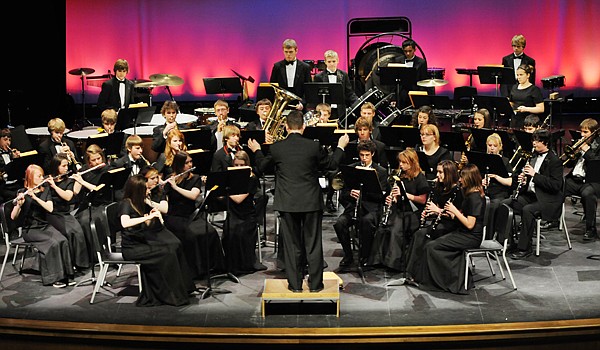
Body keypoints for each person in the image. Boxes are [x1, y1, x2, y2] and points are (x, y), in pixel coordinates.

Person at [247, 110, 349, 292]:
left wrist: (257, 151)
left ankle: (295, 285)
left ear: (286, 127)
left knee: (292, 244)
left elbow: (262, 168)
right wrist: (341, 146)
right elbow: (332, 165)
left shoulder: (277, 147)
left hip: (287, 202)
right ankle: (316, 285)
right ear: (304, 127)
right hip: (310, 202)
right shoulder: (313, 146)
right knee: (313, 243)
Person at [406, 163, 486, 294]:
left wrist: (453, 211)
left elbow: (470, 224)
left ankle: (444, 282)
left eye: (462, 177)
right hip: (463, 232)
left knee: (432, 246)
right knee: (429, 243)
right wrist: (451, 214)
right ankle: (421, 276)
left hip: (471, 236)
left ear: (470, 179)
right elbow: (462, 219)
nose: (460, 180)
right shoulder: (469, 195)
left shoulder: (475, 198)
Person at [119, 174, 196, 306]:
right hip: (132, 248)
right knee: (167, 253)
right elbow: (125, 223)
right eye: (146, 189)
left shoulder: (140, 202)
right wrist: (146, 218)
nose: (149, 191)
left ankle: (184, 289)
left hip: (141, 241)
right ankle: (169, 295)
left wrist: (151, 218)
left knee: (173, 246)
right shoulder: (126, 203)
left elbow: (142, 226)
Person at [497, 129, 563, 259]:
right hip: (531, 195)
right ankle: (508, 242)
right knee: (504, 205)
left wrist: (535, 175)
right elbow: (525, 178)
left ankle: (524, 248)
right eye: (533, 140)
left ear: (545, 143)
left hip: (547, 199)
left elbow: (556, 186)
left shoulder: (555, 161)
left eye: (537, 141)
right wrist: (524, 179)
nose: (534, 143)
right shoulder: (532, 157)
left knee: (528, 210)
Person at [163, 151, 225, 279]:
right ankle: (195, 271)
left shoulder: (195, 178)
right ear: (179, 165)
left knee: (211, 231)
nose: (190, 164)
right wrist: (163, 186)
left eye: (190, 162)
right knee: (190, 235)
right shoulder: (171, 178)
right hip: (175, 216)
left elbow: (193, 195)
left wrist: (176, 187)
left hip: (191, 215)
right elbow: (165, 200)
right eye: (186, 163)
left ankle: (213, 267)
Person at [11, 164, 74, 288]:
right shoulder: (21, 192)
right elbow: (13, 217)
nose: (42, 178)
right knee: (53, 243)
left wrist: (35, 198)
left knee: (63, 240)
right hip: (30, 230)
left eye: (41, 175)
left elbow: (49, 208)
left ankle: (67, 275)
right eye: (39, 176)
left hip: (44, 226)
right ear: (30, 177)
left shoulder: (45, 190)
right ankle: (55, 278)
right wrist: (18, 205)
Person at [368, 148, 429, 270]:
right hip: (400, 210)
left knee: (396, 228)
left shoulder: (420, 178)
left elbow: (423, 200)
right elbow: (397, 196)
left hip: (414, 213)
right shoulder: (400, 175)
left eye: (404, 162)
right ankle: (378, 259)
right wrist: (393, 198)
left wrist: (406, 195)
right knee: (383, 226)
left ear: (412, 162)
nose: (401, 164)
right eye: (400, 162)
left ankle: (394, 262)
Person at [333, 139, 389, 268]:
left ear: (372, 154)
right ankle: (348, 255)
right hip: (354, 207)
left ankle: (365, 256)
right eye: (362, 155)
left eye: (367, 155)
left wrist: (363, 193)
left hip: (372, 208)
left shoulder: (381, 171)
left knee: (366, 222)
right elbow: (343, 194)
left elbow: (381, 196)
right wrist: (351, 193)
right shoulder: (352, 169)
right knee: (339, 224)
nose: (364, 158)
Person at [221, 151, 267, 274]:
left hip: (247, 216)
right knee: (228, 231)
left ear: (247, 164)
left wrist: (224, 189)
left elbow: (239, 199)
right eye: (236, 165)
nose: (239, 168)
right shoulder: (230, 178)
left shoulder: (251, 179)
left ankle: (243, 265)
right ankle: (231, 265)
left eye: (242, 165)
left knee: (239, 231)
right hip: (233, 214)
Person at [46, 153, 90, 271]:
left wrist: (55, 186)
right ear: (56, 167)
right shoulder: (47, 179)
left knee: (78, 232)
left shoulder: (68, 181)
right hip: (51, 213)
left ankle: (80, 263)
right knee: (68, 232)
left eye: (67, 165)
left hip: (63, 212)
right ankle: (69, 265)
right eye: (64, 166)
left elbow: (68, 197)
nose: (66, 168)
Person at [563, 118, 600, 240]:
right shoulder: (580, 143)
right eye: (581, 132)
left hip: (593, 181)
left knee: (587, 194)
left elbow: (595, 162)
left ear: (594, 132)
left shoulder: (598, 146)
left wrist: (586, 150)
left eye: (585, 132)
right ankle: (552, 219)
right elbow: (568, 165)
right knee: (558, 184)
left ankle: (591, 229)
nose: (582, 135)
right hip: (576, 180)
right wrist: (573, 154)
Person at [71, 144, 110, 261]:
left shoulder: (108, 170)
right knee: (78, 222)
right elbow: (76, 191)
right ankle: (86, 257)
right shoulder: (84, 170)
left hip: (103, 204)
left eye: (99, 158)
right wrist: (77, 179)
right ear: (88, 162)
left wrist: (82, 181)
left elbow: (99, 189)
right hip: (88, 204)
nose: (97, 162)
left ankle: (99, 254)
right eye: (94, 160)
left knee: (90, 221)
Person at [313, 49, 358, 119]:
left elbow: (349, 92)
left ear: (338, 60)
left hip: (340, 110)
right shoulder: (318, 77)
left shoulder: (344, 75)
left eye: (334, 61)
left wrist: (358, 102)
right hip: (325, 112)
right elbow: (315, 96)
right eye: (329, 61)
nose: (331, 64)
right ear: (325, 62)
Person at [269, 38, 312, 111]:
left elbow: (308, 88)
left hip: (299, 104)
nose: (288, 54)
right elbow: (273, 86)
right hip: (281, 104)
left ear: (296, 51)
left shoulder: (305, 67)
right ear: (283, 51)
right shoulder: (277, 66)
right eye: (286, 52)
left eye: (291, 52)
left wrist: (302, 102)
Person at [482, 133, 513, 229]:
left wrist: (496, 176)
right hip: (483, 191)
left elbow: (510, 182)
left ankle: (489, 235)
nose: (492, 148)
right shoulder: (482, 159)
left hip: (499, 192)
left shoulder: (505, 161)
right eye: (490, 145)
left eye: (495, 146)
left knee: (493, 206)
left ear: (500, 147)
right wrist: (481, 181)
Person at [509, 64, 544, 129]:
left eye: (521, 75)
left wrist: (526, 109)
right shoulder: (514, 87)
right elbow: (512, 103)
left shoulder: (534, 90)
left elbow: (541, 108)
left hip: (528, 122)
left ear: (528, 75)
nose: (518, 77)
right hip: (515, 120)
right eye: (517, 75)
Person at [0, 128, 21, 201]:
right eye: (5, 140)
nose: (8, 143)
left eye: (9, 140)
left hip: (14, 184)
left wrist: (16, 159)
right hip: (3, 186)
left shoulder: (10, 153)